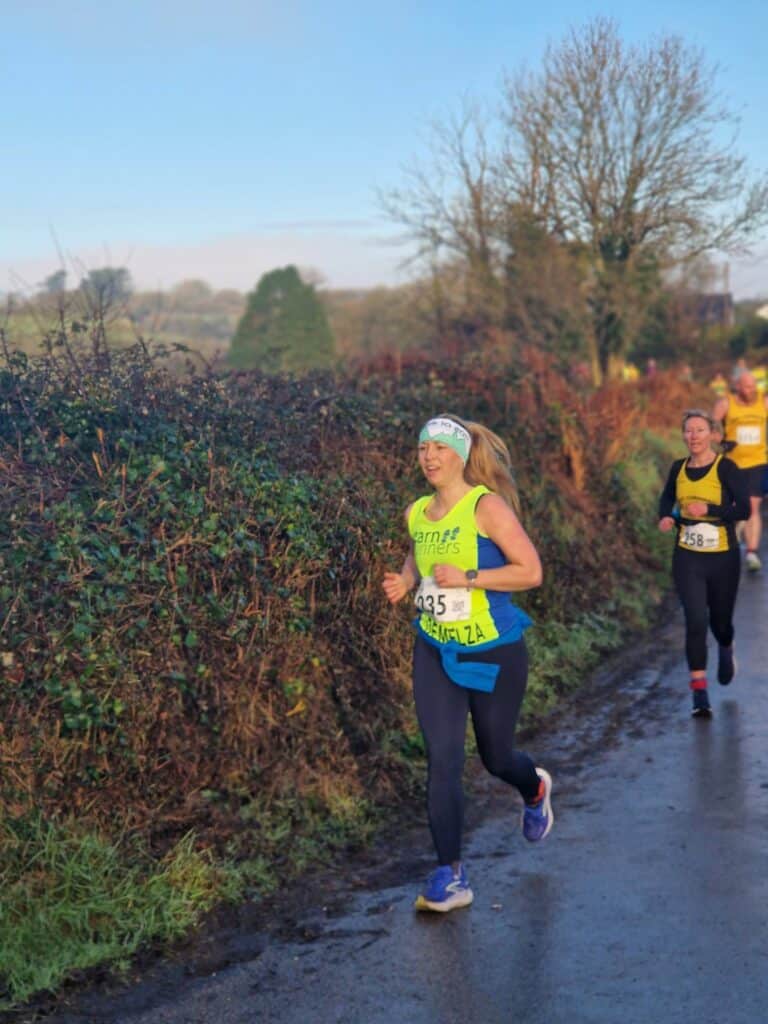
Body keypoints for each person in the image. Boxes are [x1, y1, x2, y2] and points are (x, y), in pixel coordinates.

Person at [382, 414, 553, 913]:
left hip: (494, 650)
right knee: (443, 759)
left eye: (439, 448)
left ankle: (535, 786)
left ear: (460, 454)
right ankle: (451, 875)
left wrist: (471, 577)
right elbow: (422, 554)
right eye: (422, 449)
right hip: (436, 647)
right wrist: (407, 580)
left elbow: (531, 572)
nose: (429, 457)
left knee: (497, 758)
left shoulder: (487, 507)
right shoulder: (417, 511)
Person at [658, 410, 750, 717]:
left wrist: (708, 507)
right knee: (695, 620)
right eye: (688, 431)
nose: (693, 436)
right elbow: (666, 498)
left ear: (712, 434)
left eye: (699, 430)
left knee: (719, 622)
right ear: (683, 435)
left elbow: (744, 511)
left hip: (723, 557)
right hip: (688, 556)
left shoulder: (727, 468)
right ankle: (699, 692)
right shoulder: (677, 468)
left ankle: (726, 646)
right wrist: (668, 516)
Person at [712, 371, 768, 571]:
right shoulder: (726, 403)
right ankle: (730, 540)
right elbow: (711, 425)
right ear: (737, 386)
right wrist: (721, 441)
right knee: (736, 507)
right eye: (746, 387)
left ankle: (752, 553)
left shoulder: (763, 402)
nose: (750, 390)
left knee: (753, 506)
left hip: (758, 462)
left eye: (752, 386)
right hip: (733, 464)